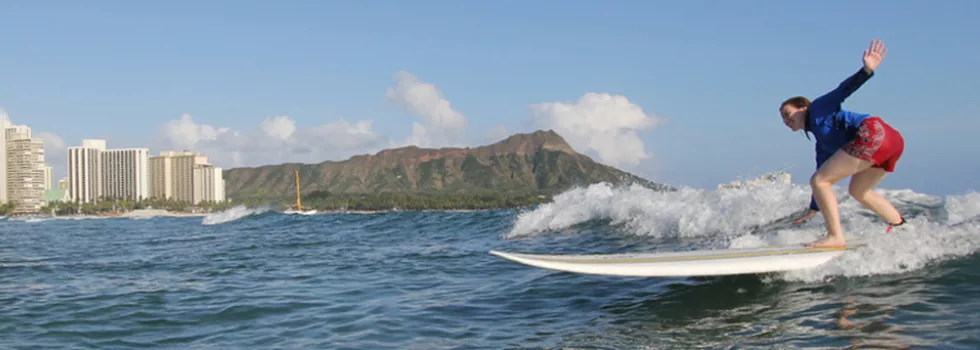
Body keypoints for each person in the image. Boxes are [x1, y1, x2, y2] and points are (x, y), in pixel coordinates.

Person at [778, 39, 908, 248]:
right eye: (783, 119)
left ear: (803, 108)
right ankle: (901, 227)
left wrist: (866, 70)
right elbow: (822, 170)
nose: (785, 121)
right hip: (892, 141)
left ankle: (835, 237)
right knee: (859, 191)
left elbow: (843, 89)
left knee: (820, 181)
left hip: (873, 132)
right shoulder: (822, 144)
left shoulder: (820, 107)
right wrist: (814, 207)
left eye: (787, 114)